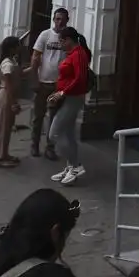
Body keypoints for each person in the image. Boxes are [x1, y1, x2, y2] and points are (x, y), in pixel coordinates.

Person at [48, 28, 91, 187]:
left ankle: (76, 165)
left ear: (69, 40)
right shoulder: (72, 54)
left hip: (73, 98)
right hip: (67, 96)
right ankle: (70, 167)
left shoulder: (79, 54)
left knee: (55, 133)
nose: (60, 43)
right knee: (68, 134)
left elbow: (80, 78)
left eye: (62, 40)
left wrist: (63, 92)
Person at [28, 8, 70, 160]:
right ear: (53, 19)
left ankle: (50, 147)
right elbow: (35, 57)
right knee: (38, 116)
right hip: (43, 82)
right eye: (57, 19)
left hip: (59, 85)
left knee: (54, 118)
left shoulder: (68, 38)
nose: (59, 23)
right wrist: (34, 79)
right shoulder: (45, 35)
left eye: (62, 20)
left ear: (67, 21)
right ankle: (34, 144)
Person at [0, 35, 26, 168]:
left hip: (8, 96)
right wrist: (13, 103)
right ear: (12, 48)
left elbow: (20, 75)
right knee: (3, 128)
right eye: (18, 45)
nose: (20, 47)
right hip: (6, 97)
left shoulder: (12, 61)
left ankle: (4, 153)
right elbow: (8, 85)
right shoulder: (7, 64)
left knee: (7, 128)